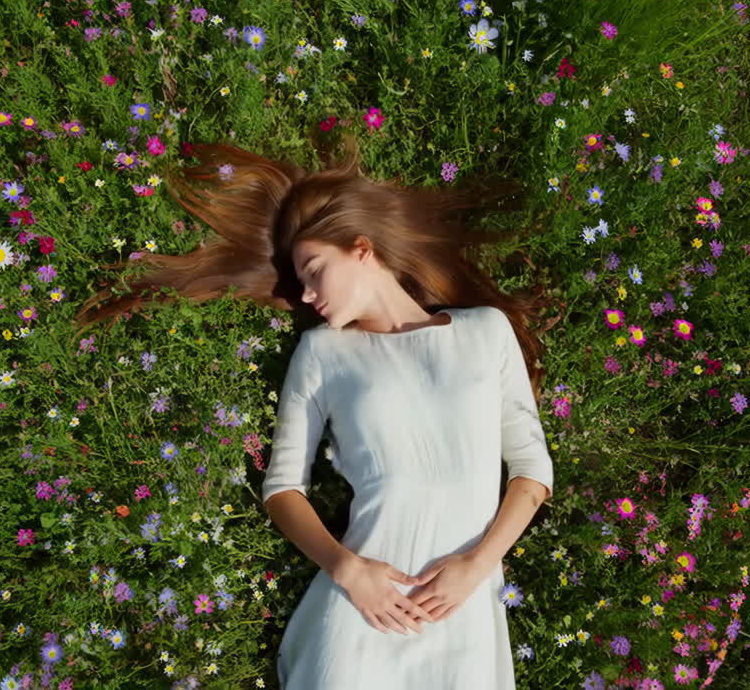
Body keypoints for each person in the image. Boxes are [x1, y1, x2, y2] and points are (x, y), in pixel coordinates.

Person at [72, 134, 556, 688]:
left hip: (463, 616)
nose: (305, 295)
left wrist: (476, 565)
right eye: (300, 280)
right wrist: (348, 569)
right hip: (360, 614)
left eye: (314, 270)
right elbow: (282, 489)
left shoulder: (485, 331)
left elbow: (532, 469)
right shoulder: (323, 352)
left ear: (363, 248)